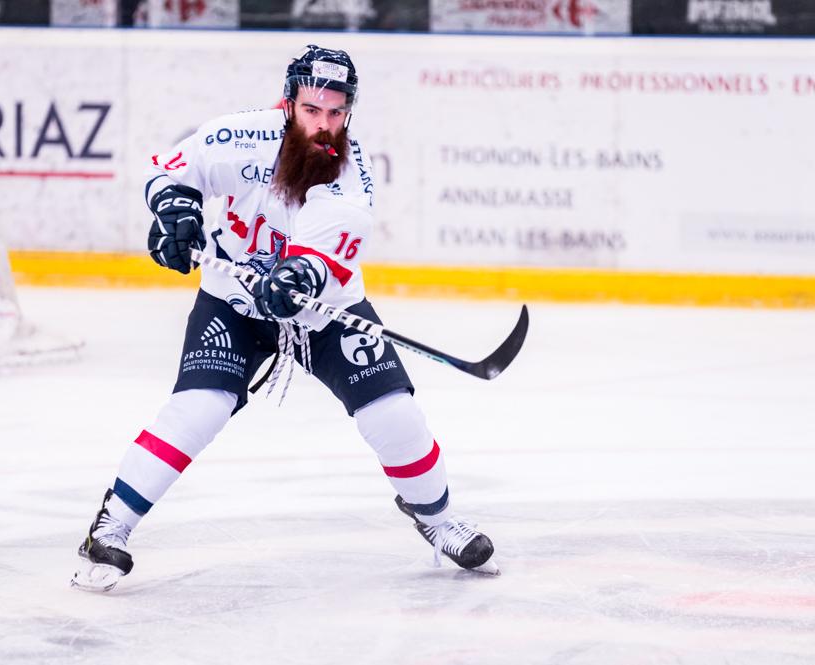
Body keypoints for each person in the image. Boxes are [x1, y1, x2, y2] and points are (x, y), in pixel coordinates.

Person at [71, 45, 498, 592]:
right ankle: (110, 529)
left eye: (337, 113)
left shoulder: (349, 176)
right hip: (233, 303)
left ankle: (437, 521)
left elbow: (319, 262)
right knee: (198, 408)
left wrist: (298, 279)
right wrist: (176, 215)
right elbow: (174, 172)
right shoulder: (238, 136)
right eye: (313, 110)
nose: (324, 126)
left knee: (394, 415)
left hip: (327, 312)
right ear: (289, 101)